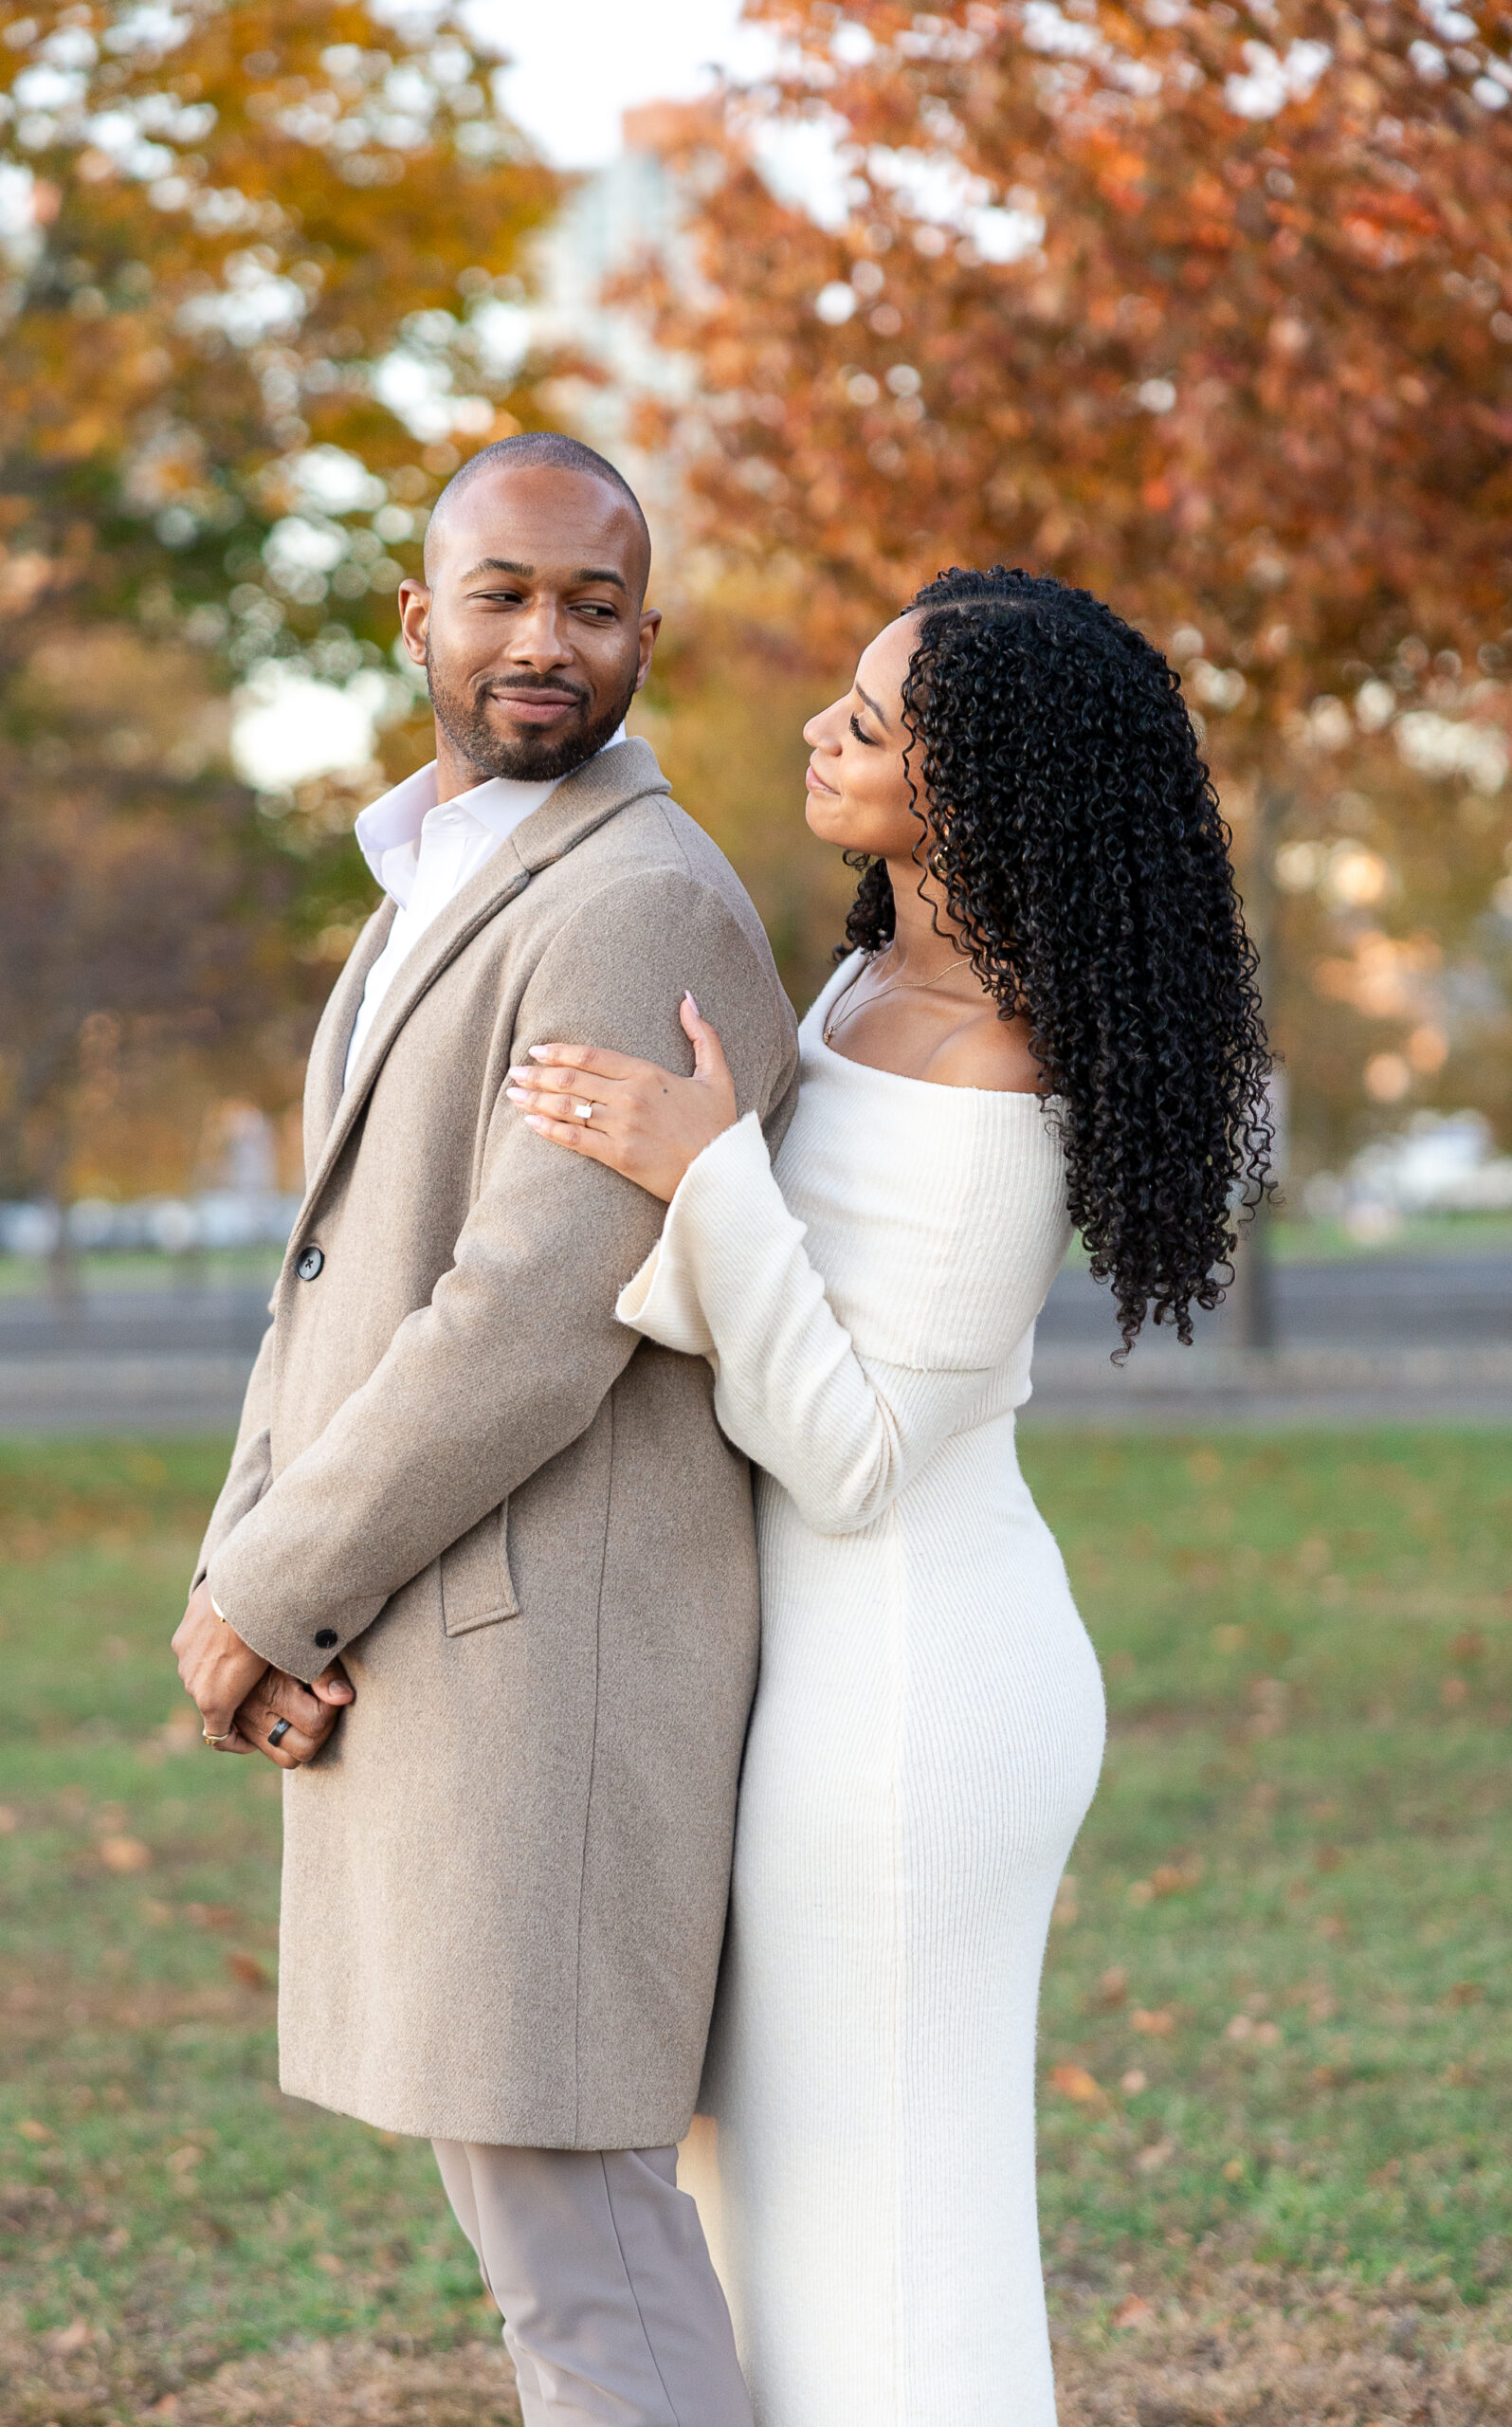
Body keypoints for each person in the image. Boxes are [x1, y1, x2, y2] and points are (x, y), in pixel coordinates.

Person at [508, 567, 1272, 2427]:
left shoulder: (992, 1056)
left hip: (913, 1694)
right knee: (766, 2211)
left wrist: (705, 1176)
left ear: (987, 782)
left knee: (897, 2251)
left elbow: (845, 1452)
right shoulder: (876, 976)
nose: (817, 732)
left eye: (868, 719)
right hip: (821, 1676)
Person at [171, 432, 799, 2427]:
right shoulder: (431, 871)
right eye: (508, 594)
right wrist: (240, 1566)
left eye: (594, 606)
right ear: (415, 614)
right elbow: (332, 1272)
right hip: (438, 1648)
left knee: (585, 2267)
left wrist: (277, 1585)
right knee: (555, 2254)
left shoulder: (634, 897)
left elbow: (528, 1319)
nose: (548, 640)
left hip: (551, 1678)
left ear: (644, 637)